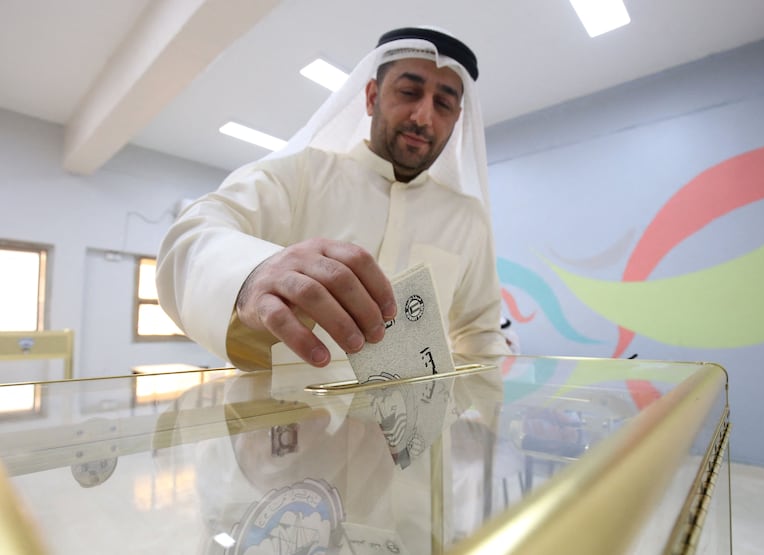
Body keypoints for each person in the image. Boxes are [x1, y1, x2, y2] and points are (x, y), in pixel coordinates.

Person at [156, 26, 510, 370]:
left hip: (417, 426)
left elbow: (479, 336)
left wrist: (480, 423)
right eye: (409, 93)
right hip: (289, 418)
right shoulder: (300, 175)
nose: (423, 117)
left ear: (456, 119)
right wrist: (250, 275)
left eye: (444, 103)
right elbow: (192, 236)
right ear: (372, 97)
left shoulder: (467, 217)